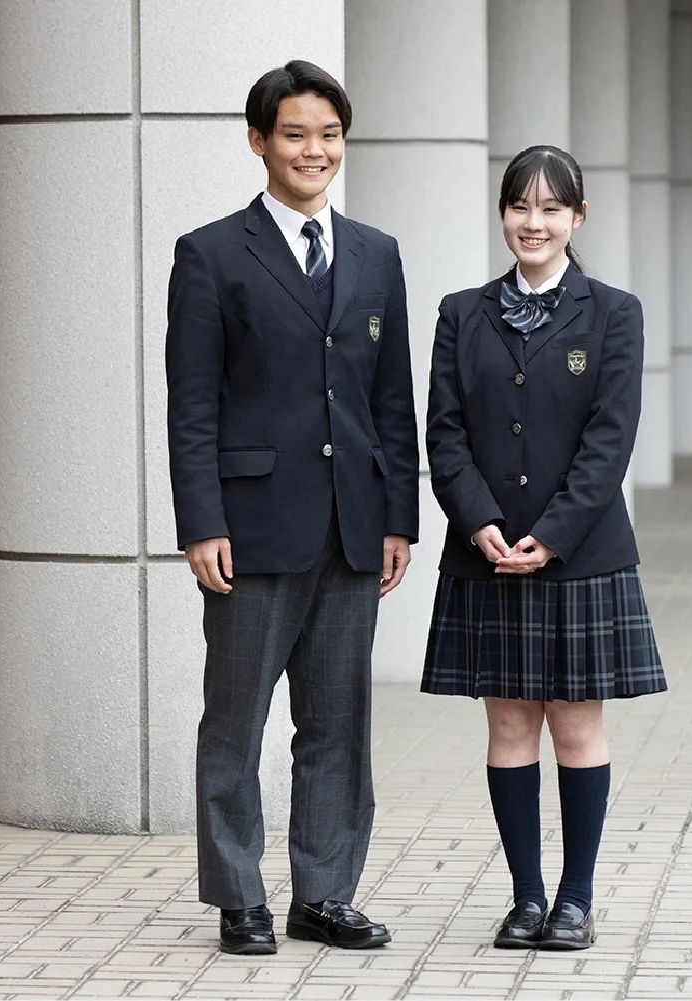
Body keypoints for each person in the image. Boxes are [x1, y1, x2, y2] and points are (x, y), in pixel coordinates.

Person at [165, 60, 418, 956]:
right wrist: (200, 522)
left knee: (338, 722)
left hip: (354, 527)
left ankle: (326, 892)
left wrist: (399, 517)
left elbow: (393, 400)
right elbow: (191, 403)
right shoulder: (210, 253)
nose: (315, 150)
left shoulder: (377, 252)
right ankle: (239, 896)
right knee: (234, 720)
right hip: (251, 528)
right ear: (259, 141)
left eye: (329, 134)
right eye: (296, 134)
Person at [422, 145, 667, 951]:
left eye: (551, 208)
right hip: (485, 552)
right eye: (520, 207)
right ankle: (525, 898)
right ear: (502, 215)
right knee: (508, 729)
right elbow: (444, 432)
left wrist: (550, 534)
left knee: (575, 729)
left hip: (580, 555)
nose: (534, 223)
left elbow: (609, 441)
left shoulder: (613, 312)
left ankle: (574, 899)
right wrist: (478, 521)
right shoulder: (462, 311)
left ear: (577, 218)